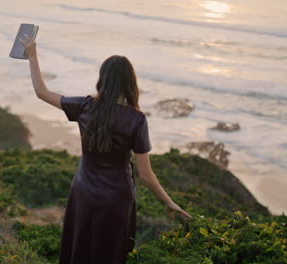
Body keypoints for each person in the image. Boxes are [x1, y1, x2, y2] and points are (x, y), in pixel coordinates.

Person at [19, 34, 192, 264]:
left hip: (84, 191)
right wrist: (168, 202)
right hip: (116, 198)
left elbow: (42, 92)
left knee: (79, 247)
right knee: (110, 253)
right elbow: (146, 175)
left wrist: (32, 56)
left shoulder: (85, 106)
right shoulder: (136, 120)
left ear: (103, 79)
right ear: (131, 83)